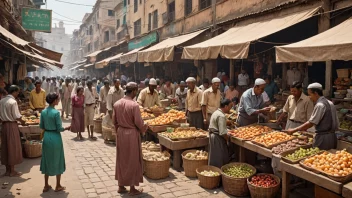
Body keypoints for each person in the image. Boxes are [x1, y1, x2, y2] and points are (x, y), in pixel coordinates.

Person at [113, 82, 148, 196]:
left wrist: (119, 130)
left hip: (121, 132)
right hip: (131, 134)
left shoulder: (117, 103)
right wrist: (145, 126)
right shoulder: (134, 105)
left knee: (121, 158)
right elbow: (138, 122)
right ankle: (132, 188)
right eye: (136, 91)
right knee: (132, 159)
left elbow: (115, 121)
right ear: (133, 91)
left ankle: (121, 185)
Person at [285, 83, 339, 150]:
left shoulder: (320, 105)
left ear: (316, 93)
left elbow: (311, 123)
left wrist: (294, 130)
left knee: (320, 157)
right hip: (332, 137)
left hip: (323, 138)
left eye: (310, 94)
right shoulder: (330, 103)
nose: (309, 97)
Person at [40, 93, 70, 193]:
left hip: (47, 136)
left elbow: (41, 126)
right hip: (55, 137)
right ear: (54, 101)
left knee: (47, 159)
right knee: (58, 159)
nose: (59, 100)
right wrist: (67, 128)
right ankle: (58, 185)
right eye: (58, 99)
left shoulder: (43, 112)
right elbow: (59, 128)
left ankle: (45, 185)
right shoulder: (56, 113)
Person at [0, 85, 26, 177]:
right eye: (17, 92)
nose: (18, 93)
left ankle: (7, 170)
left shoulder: (2, 101)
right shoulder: (13, 102)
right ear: (14, 92)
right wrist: (23, 122)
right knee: (12, 147)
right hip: (11, 125)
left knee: (5, 147)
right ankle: (12, 171)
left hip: (4, 126)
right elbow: (17, 116)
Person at [208, 99, 233, 168]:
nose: (230, 109)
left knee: (214, 156)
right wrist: (228, 139)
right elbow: (222, 133)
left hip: (213, 135)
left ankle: (213, 170)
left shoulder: (216, 112)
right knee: (219, 157)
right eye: (230, 106)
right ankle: (218, 173)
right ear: (226, 106)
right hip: (217, 138)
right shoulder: (221, 116)